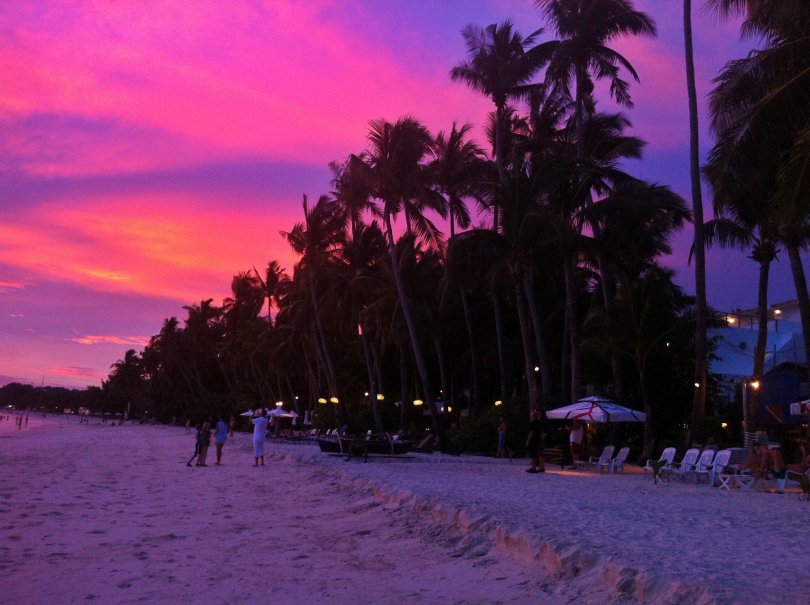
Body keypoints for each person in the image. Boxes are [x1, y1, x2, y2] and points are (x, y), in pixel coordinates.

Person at [525, 409, 546, 473]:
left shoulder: (533, 423)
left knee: (533, 454)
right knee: (540, 454)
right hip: (540, 440)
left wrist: (527, 441)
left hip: (534, 440)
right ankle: (542, 467)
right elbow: (543, 432)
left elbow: (531, 433)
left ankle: (533, 468)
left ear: (534, 416)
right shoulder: (541, 423)